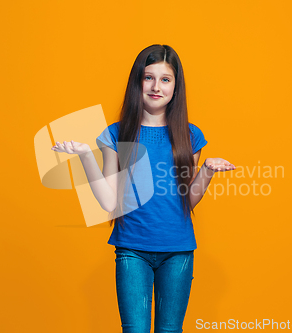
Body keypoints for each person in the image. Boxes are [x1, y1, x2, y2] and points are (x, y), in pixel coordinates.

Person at [51, 44, 235, 333]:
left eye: (165, 79)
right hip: (131, 249)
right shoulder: (116, 134)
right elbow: (108, 202)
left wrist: (208, 171)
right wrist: (86, 156)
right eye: (148, 77)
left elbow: (188, 199)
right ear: (137, 81)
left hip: (178, 251)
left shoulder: (190, 135)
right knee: (134, 329)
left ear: (176, 85)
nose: (156, 87)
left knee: (170, 330)